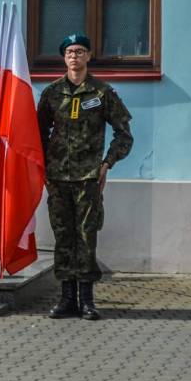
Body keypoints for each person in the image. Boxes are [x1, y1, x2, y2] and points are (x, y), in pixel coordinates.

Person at [37, 34, 133, 321]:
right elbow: (38, 134)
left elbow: (124, 134)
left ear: (89, 56)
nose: (74, 56)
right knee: (63, 236)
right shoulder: (52, 93)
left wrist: (107, 163)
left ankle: (87, 300)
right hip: (57, 178)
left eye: (80, 51)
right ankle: (67, 299)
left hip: (88, 178)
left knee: (86, 236)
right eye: (69, 52)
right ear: (63, 57)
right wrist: (43, 167)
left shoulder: (101, 93)